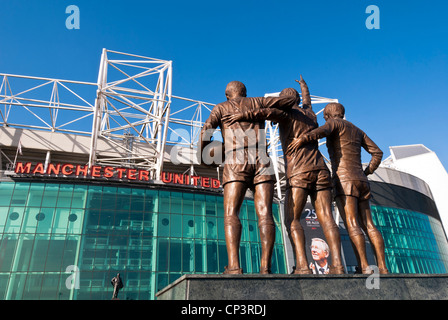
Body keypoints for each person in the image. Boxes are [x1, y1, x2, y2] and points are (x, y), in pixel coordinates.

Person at [222, 76, 344, 274]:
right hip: (321, 170)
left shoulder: (285, 114)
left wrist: (242, 115)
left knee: (292, 219)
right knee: (327, 218)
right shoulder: (310, 114)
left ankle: (303, 266)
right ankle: (337, 266)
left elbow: (265, 112)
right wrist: (304, 87)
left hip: (299, 172)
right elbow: (307, 101)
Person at [199, 81, 297, 274]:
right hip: (262, 158)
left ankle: (234, 266)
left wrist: (204, 155)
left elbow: (206, 131)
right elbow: (288, 100)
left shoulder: (221, 107)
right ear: (244, 92)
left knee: (231, 213)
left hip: (236, 158)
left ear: (228, 95)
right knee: (265, 213)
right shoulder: (258, 101)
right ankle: (265, 267)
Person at [287, 102, 389, 274]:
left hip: (344, 180)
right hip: (362, 181)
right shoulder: (357, 130)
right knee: (370, 225)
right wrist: (367, 171)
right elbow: (377, 153)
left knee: (352, 223)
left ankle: (364, 266)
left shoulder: (334, 124)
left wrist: (303, 139)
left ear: (327, 115)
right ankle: (383, 267)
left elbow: (320, 132)